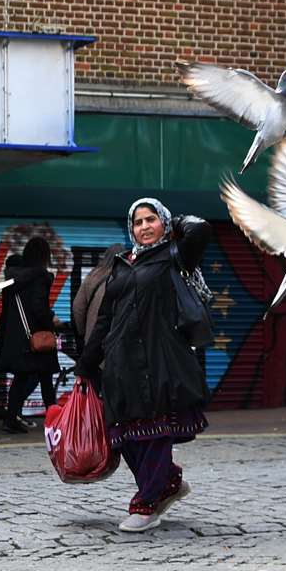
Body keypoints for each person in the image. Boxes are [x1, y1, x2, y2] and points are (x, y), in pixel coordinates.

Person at [76, 199, 207, 532]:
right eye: (138, 222)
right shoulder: (122, 264)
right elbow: (105, 319)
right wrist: (87, 364)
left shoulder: (176, 257)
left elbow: (200, 228)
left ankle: (146, 503)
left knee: (156, 433)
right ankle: (169, 483)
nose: (145, 227)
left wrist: (173, 219)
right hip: (121, 365)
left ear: (164, 223)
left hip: (163, 360)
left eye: (152, 219)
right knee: (125, 437)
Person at [0, 236, 58, 434]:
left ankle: (10, 419)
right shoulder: (40, 276)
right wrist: (51, 319)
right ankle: (55, 420)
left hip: (18, 338)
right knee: (46, 378)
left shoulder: (12, 279)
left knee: (21, 377)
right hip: (36, 336)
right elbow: (38, 307)